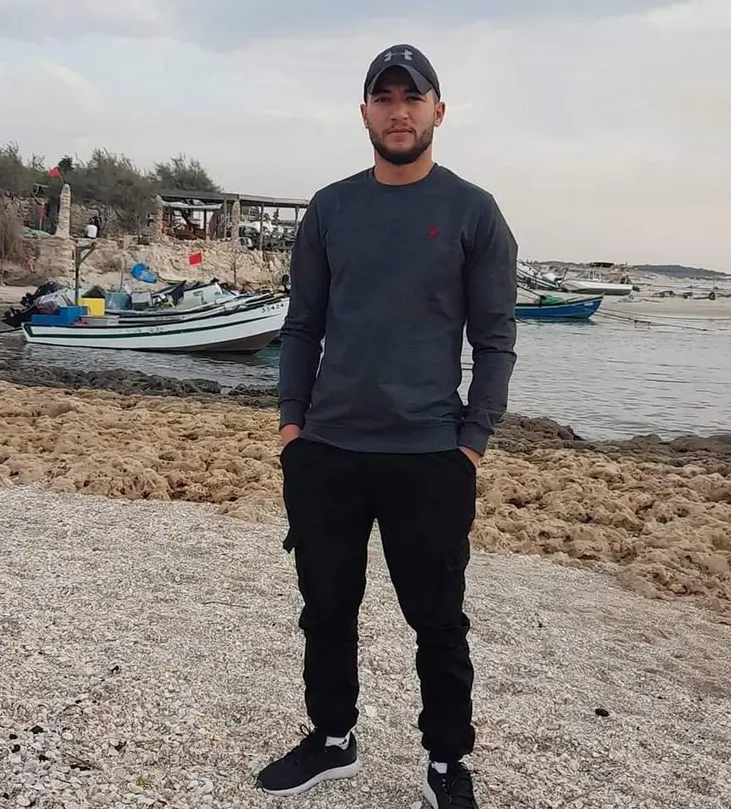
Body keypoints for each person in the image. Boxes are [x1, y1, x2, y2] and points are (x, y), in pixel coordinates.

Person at [256, 43, 518, 809]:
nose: (398, 111)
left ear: (439, 110)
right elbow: (302, 326)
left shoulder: (473, 211)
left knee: (437, 619)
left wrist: (471, 443)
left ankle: (445, 759)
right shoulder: (330, 208)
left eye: (413, 97)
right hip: (327, 450)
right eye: (385, 97)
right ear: (365, 111)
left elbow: (495, 339)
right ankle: (333, 737)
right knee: (326, 606)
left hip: (430, 455)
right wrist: (292, 428)